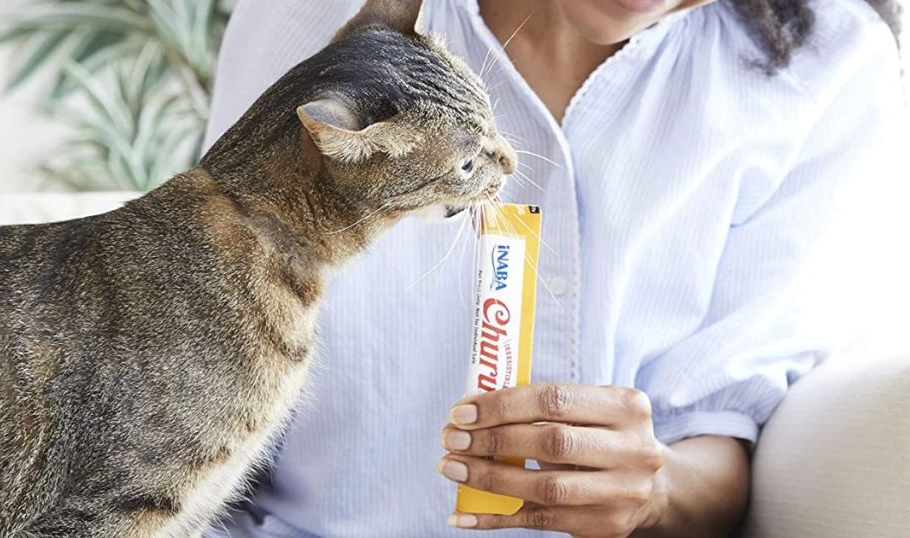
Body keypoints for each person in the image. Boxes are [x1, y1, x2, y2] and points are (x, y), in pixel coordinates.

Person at [202, 0, 904, 536]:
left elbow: (722, 428)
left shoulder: (829, 67)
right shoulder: (312, 18)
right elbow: (206, 361)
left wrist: (655, 489)